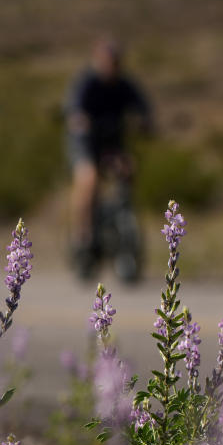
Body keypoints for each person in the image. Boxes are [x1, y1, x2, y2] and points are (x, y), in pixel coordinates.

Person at [65, 38, 152, 276]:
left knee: (127, 169)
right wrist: (79, 120)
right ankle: (83, 236)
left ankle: (126, 222)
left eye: (115, 62)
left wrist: (145, 121)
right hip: (86, 144)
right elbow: (74, 107)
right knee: (89, 180)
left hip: (112, 145)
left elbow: (142, 105)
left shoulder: (124, 85)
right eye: (107, 62)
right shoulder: (87, 83)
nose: (111, 66)